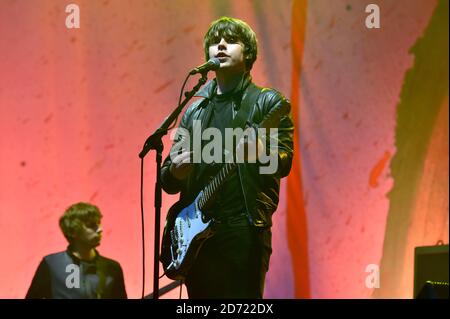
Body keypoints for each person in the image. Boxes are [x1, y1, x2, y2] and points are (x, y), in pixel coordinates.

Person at [161, 16, 294, 299]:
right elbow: (167, 180)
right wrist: (177, 172)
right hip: (197, 233)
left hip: (243, 229)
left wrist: (260, 152)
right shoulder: (194, 110)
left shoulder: (269, 103)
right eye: (214, 41)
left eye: (231, 40)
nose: (220, 44)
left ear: (248, 55)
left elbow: (283, 162)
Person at [26, 202, 127, 299]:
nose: (99, 229)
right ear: (73, 231)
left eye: (98, 223)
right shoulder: (51, 264)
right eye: (91, 225)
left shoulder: (112, 268)